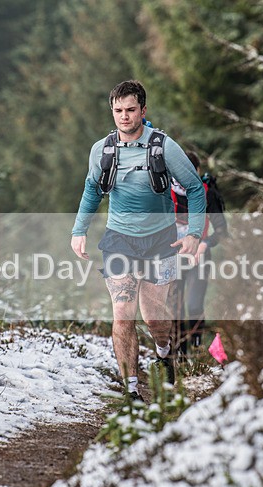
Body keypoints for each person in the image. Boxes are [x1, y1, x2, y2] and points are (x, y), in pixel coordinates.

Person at [71, 80, 206, 401]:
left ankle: (163, 352)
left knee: (155, 319)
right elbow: (92, 189)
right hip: (119, 240)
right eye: (118, 111)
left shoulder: (163, 147)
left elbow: (197, 189)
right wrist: (79, 230)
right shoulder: (102, 150)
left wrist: (194, 234)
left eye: (131, 110)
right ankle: (131, 391)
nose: (124, 117)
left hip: (160, 241)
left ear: (143, 111)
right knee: (122, 313)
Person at [171, 152, 228, 355]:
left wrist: (204, 244)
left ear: (196, 171)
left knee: (194, 305)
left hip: (199, 257)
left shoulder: (208, 193)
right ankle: (180, 355)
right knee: (175, 307)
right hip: (172, 258)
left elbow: (222, 231)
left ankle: (197, 350)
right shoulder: (164, 192)